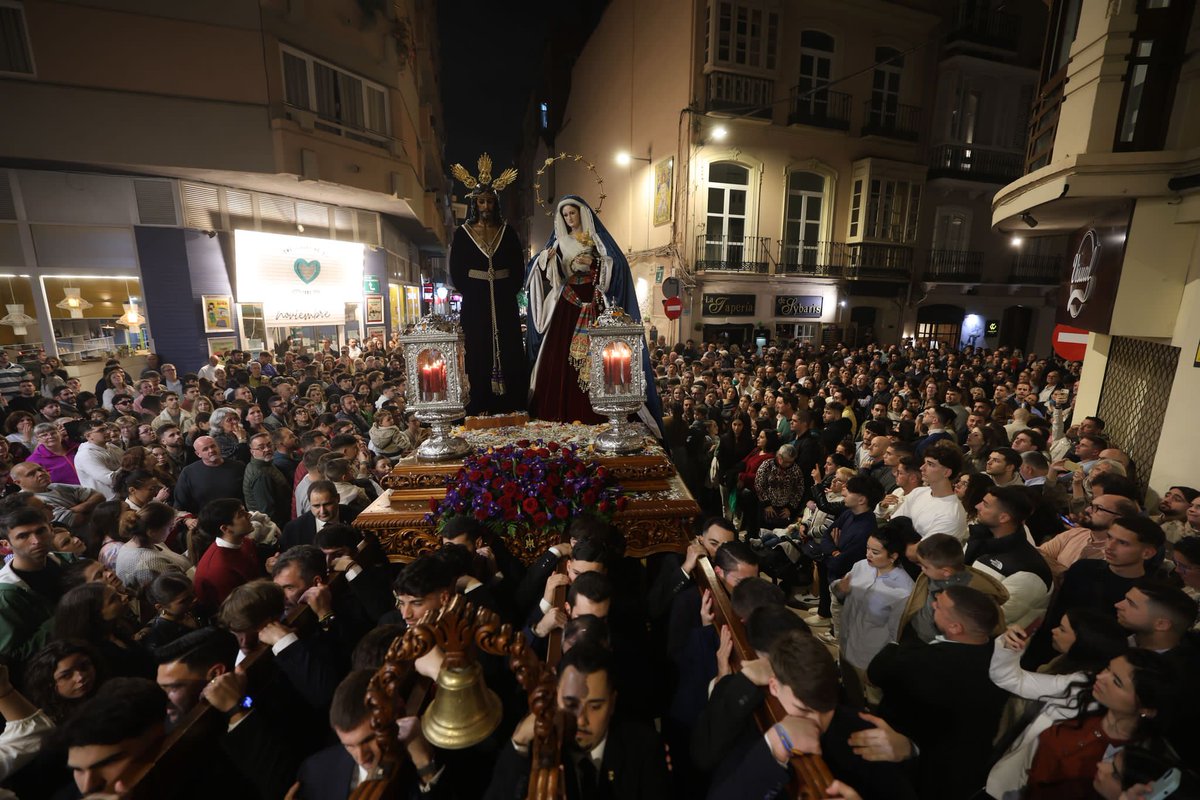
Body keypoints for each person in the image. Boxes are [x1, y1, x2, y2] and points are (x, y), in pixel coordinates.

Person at [525, 195, 660, 431]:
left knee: (603, 357)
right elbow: (542, 270)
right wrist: (545, 260)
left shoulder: (597, 240)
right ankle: (557, 413)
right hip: (567, 303)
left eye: (572, 213)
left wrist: (595, 263)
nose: (569, 218)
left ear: (581, 213)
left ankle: (605, 413)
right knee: (557, 359)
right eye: (565, 215)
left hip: (595, 300)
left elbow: (617, 264)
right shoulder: (559, 241)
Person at [447, 160, 529, 415]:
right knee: (478, 347)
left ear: (496, 204)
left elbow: (518, 267)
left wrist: (506, 290)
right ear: (475, 204)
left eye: (490, 202)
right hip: (476, 301)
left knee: (509, 346)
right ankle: (480, 401)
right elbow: (456, 269)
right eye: (481, 202)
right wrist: (474, 291)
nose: (486, 207)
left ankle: (511, 401)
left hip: (503, 299)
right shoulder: (463, 233)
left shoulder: (507, 231)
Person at [833, 523, 915, 706]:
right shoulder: (861, 567)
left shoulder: (903, 589)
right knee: (850, 692)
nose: (868, 554)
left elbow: (896, 634)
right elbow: (840, 593)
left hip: (872, 655)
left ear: (893, 556)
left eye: (875, 552)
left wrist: (881, 666)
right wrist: (841, 589)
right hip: (847, 644)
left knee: (875, 700)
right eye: (867, 548)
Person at [0, 506, 80, 660]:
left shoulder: (65, 561)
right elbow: (13, 654)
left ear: (51, 529)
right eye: (23, 536)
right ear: (6, 544)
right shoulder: (6, 594)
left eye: (40, 531)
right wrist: (65, 615)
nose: (36, 541)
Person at [173, 435, 246, 514]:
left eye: (213, 446)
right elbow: (180, 504)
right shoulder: (188, 472)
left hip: (237, 516)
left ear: (218, 446)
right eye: (205, 449)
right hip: (205, 519)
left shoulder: (238, 467)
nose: (211, 450)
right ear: (198, 454)